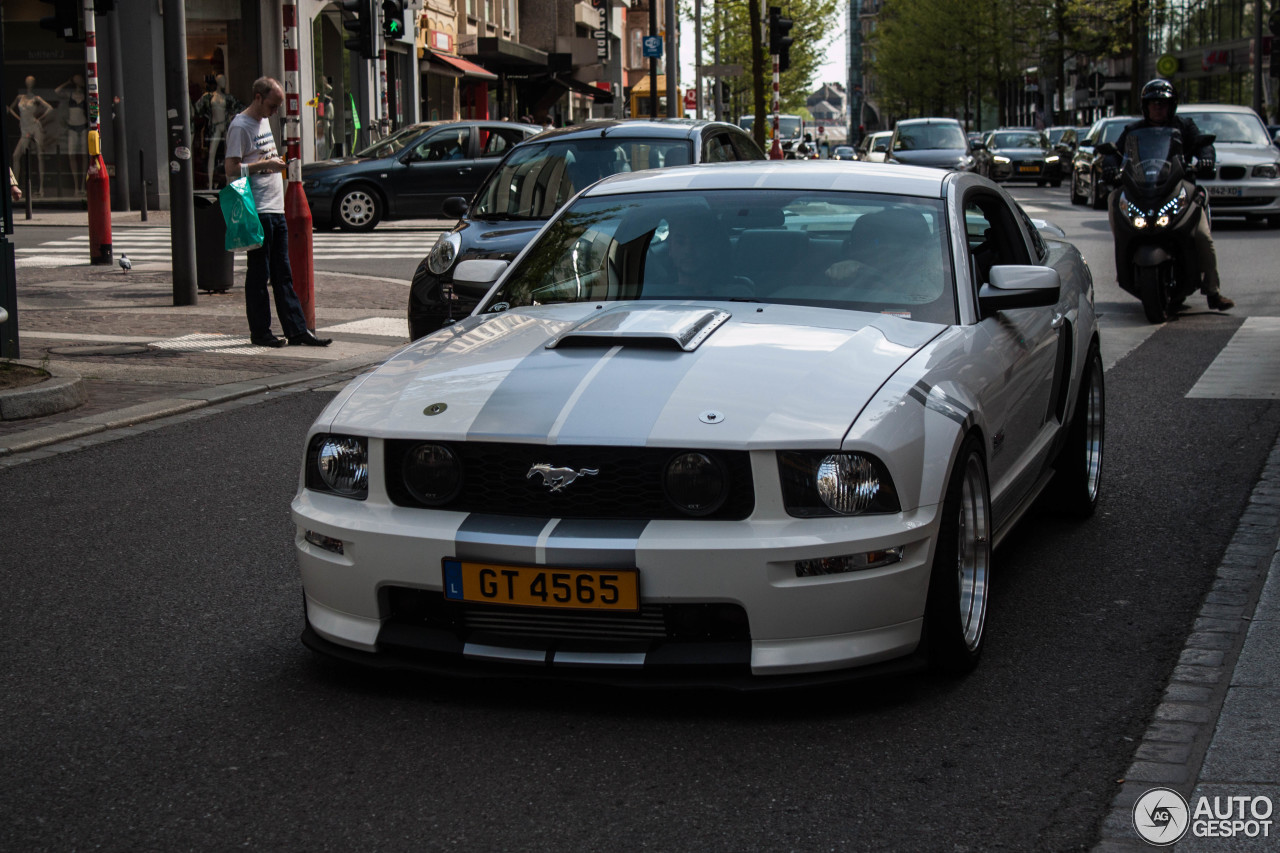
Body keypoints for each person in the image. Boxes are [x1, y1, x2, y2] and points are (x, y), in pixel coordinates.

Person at [1106, 78, 1233, 311]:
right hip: (1143, 190)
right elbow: (1115, 153)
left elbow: (1203, 145)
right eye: (1153, 103)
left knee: (1203, 236)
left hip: (1177, 188)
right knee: (1114, 199)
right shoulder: (1133, 131)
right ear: (1145, 106)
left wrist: (1206, 158)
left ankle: (1213, 291)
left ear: (1172, 105)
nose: (1158, 108)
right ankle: (1124, 255)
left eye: (1163, 103)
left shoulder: (1185, 126)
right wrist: (1109, 164)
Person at [224, 76, 330, 348]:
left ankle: (297, 330)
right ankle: (261, 332)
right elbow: (232, 171)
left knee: (283, 272)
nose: (274, 112)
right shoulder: (240, 126)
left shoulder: (263, 120)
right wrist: (263, 166)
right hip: (258, 208)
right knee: (259, 273)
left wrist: (273, 163)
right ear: (258, 97)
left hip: (275, 206)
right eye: (272, 105)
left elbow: (259, 159)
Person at [8, 77, 52, 199]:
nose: (29, 83)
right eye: (27, 81)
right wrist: (19, 118)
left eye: (31, 82)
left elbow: (49, 108)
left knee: (39, 156)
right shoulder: (19, 98)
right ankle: (14, 187)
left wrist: (39, 118)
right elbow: (10, 109)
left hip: (34, 127)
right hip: (25, 128)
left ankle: (41, 188)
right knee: (16, 155)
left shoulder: (36, 99)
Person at [55, 75, 88, 195]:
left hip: (83, 126)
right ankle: (76, 187)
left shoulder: (86, 94)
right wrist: (67, 82)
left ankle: (83, 186)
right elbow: (57, 91)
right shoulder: (70, 94)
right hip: (72, 127)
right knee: (71, 155)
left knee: (85, 156)